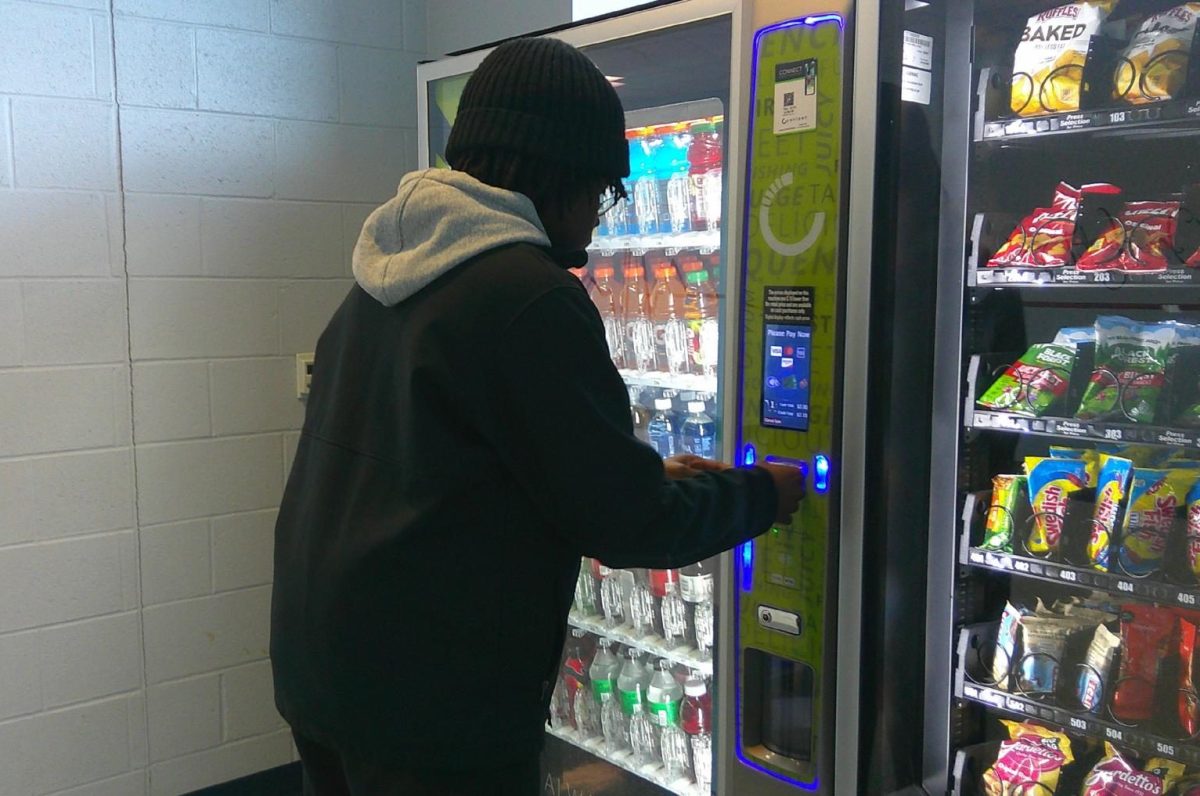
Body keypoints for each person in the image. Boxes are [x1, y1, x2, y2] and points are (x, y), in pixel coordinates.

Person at [270, 36, 805, 796]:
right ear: (550, 176)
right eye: (596, 191)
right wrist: (761, 496)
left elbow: (462, 461)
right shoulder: (529, 296)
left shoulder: (391, 271)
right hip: (433, 700)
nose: (596, 222)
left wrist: (642, 473)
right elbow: (626, 524)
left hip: (326, 665)